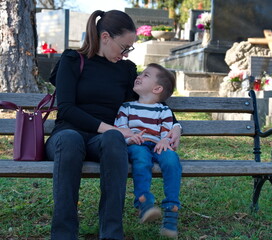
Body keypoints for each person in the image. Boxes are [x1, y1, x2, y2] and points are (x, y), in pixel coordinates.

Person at [45, 10, 181, 240]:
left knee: (114, 140)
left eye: (130, 48)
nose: (126, 53)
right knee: (72, 138)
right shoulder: (72, 60)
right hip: (66, 137)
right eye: (124, 46)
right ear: (105, 37)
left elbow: (151, 99)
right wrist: (114, 129)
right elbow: (66, 108)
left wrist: (175, 127)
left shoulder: (125, 69)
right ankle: (64, 234)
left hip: (105, 142)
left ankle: (111, 234)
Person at [114, 63, 182, 238]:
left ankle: (171, 208)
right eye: (141, 73)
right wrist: (130, 138)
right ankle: (144, 201)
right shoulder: (126, 107)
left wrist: (166, 140)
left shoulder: (164, 110)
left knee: (172, 160)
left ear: (157, 88)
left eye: (146, 75)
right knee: (141, 159)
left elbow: (168, 131)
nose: (139, 76)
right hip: (136, 144)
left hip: (157, 144)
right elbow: (119, 130)